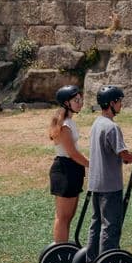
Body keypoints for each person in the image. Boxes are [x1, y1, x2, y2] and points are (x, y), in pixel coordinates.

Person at [84, 86, 132, 263]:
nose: (121, 105)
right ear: (111, 103)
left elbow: (115, 154)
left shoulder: (97, 123)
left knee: (96, 224)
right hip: (110, 185)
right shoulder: (112, 127)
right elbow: (124, 154)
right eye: (119, 101)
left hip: (95, 184)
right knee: (110, 226)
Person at [48, 85, 89, 243]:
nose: (80, 103)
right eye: (76, 100)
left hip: (72, 168)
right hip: (65, 169)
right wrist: (92, 164)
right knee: (63, 217)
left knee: (68, 216)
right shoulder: (65, 125)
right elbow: (72, 153)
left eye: (80, 100)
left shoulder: (69, 122)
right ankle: (60, 250)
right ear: (66, 103)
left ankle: (63, 248)